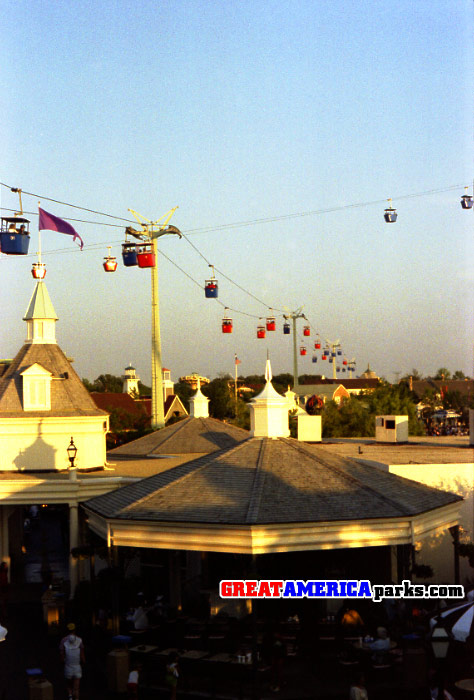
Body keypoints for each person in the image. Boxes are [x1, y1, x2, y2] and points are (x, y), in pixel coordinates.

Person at [59, 623, 85, 700]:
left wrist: (62, 662)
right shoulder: (79, 640)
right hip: (77, 666)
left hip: (68, 666)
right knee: (76, 688)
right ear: (74, 630)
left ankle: (70, 696)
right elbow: (82, 654)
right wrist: (83, 662)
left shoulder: (63, 640)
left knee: (69, 684)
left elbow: (61, 654)